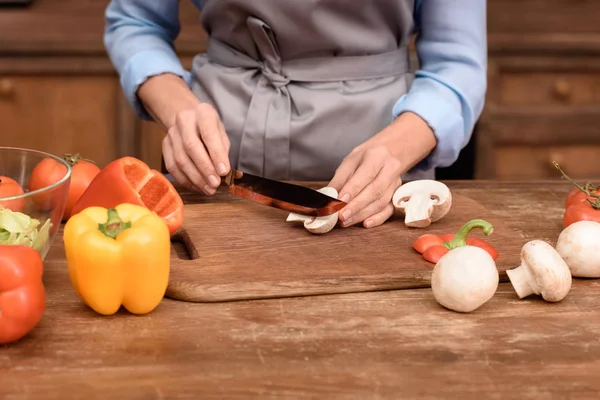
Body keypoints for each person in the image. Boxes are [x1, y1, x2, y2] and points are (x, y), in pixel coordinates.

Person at [104, 0, 486, 229]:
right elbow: (136, 21)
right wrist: (179, 111)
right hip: (212, 162)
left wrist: (397, 150)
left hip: (385, 177)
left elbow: (458, 65)